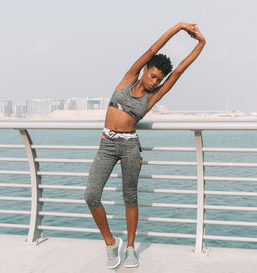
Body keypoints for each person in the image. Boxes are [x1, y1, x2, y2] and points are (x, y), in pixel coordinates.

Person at [85, 22, 206, 269]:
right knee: (91, 195)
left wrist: (201, 43)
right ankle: (110, 243)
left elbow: (179, 71)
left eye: (158, 79)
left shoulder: (153, 96)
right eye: (152, 75)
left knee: (130, 197)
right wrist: (179, 27)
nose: (154, 81)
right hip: (107, 145)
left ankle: (130, 248)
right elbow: (153, 49)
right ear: (145, 70)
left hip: (130, 147)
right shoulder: (128, 79)